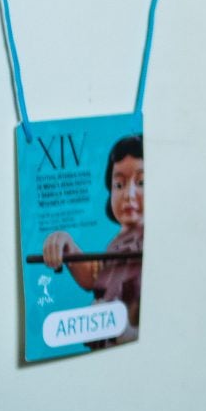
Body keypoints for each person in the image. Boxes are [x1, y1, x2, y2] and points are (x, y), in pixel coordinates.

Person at [39, 136, 142, 346]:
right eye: (119, 184)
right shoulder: (116, 244)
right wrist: (68, 246)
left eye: (141, 182)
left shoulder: (147, 237)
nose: (128, 195)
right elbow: (93, 277)